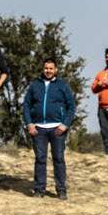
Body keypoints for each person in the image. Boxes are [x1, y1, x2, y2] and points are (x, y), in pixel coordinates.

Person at [23, 58, 76, 200]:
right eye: (46, 68)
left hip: (57, 129)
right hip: (38, 129)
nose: (48, 71)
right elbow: (26, 105)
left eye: (51, 68)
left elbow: (71, 106)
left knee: (58, 158)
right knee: (40, 159)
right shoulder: (34, 85)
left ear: (56, 69)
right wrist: (29, 123)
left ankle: (61, 190)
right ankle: (39, 189)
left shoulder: (62, 86)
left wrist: (65, 124)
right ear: (43, 69)